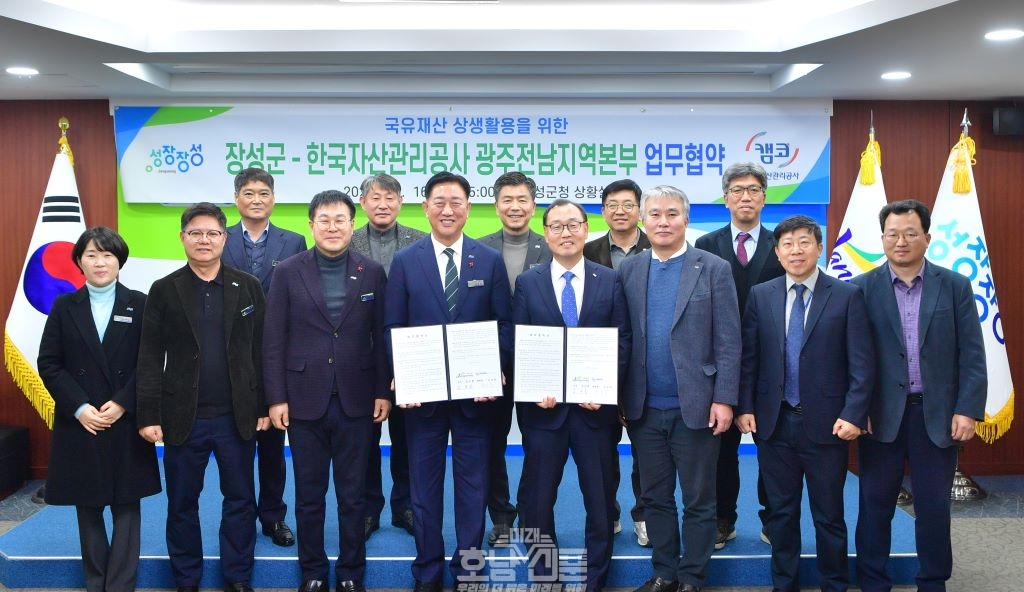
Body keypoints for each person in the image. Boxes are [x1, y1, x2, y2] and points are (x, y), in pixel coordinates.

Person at [384, 170, 513, 592]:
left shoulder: (488, 260)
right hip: (423, 399)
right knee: (423, 488)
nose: (447, 210)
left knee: (473, 487)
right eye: (439, 202)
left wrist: (496, 368)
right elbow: (393, 326)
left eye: (456, 202)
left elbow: (503, 324)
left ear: (468, 208)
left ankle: (469, 568)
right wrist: (402, 376)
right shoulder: (406, 261)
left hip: (475, 397)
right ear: (425, 208)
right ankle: (427, 569)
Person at [853, 199, 986, 592]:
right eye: (892, 234)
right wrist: (857, 409)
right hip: (879, 417)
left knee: (933, 507)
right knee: (875, 505)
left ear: (927, 238)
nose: (901, 241)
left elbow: (972, 354)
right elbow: (852, 359)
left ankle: (933, 582)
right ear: (882, 238)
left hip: (937, 415)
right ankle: (873, 582)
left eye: (910, 233)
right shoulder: (859, 289)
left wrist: (967, 409)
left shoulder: (955, 286)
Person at [736, 215, 874, 592]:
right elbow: (749, 358)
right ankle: (785, 584)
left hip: (828, 425)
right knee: (781, 515)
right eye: (787, 244)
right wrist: (745, 406)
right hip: (774, 423)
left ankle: (834, 584)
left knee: (828, 516)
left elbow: (862, 363)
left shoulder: (846, 295)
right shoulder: (761, 295)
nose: (796, 250)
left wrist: (854, 413)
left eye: (804, 242)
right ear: (777, 252)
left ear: (818, 247)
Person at [137, 202, 269, 592]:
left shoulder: (248, 286)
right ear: (183, 238)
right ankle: (187, 578)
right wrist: (148, 414)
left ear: (225, 238)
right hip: (183, 416)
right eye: (196, 233)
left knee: (241, 500)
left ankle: (237, 577)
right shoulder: (164, 289)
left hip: (236, 415)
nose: (204, 240)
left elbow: (261, 350)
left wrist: (263, 405)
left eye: (213, 233)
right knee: (182, 503)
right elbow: (148, 356)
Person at [263, 190, 391, 592]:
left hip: (358, 399)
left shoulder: (372, 271)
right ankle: (314, 572)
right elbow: (273, 340)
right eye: (324, 220)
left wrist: (383, 391)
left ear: (352, 225)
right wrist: (276, 398)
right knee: (309, 495)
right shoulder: (287, 271)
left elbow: (381, 336)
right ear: (311, 225)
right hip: (303, 399)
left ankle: (351, 572)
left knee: (354, 496)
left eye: (340, 220)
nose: (332, 227)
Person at [620, 185, 740, 592]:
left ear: (686, 219)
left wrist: (724, 398)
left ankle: (692, 577)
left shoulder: (713, 267)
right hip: (644, 408)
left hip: (698, 406)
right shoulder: (631, 269)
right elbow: (623, 336)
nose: (663, 221)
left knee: (699, 499)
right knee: (655, 497)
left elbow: (729, 339)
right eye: (654, 214)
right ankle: (665, 572)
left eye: (672, 213)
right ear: (643, 220)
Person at [513, 198, 629, 592]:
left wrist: (605, 387)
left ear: (585, 229)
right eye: (557, 226)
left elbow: (623, 340)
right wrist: (533, 388)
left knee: (600, 501)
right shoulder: (528, 282)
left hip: (594, 413)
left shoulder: (609, 279)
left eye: (573, 224)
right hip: (543, 414)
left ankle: (596, 579)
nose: (566, 233)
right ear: (546, 234)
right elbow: (519, 343)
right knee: (536, 501)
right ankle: (546, 578)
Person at [38, 227, 161, 592]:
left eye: (107, 255)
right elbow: (49, 363)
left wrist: (123, 402)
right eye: (91, 255)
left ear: (119, 261)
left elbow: (151, 361)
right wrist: (79, 407)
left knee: (127, 505)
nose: (100, 262)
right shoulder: (64, 307)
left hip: (125, 417)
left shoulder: (140, 304)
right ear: (79, 261)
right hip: (82, 420)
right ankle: (96, 581)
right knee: (87, 504)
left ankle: (120, 584)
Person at [693, 162, 785, 549]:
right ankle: (722, 519)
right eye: (737, 190)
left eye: (753, 190)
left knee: (773, 449)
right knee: (720, 450)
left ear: (764, 197)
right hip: (721, 365)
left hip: (772, 365)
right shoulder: (705, 245)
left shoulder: (782, 243)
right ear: (726, 198)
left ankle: (774, 519)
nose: (745, 197)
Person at [221, 166, 305, 548]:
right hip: (229, 356)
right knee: (236, 446)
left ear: (273, 198)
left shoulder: (294, 241)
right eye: (249, 193)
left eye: (264, 193)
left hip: (276, 356)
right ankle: (240, 517)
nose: (257, 200)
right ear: (236, 198)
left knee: (272, 444)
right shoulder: (218, 237)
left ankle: (273, 517)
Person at [350, 173, 426, 540]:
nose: (383, 204)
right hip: (360, 356)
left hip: (412, 354)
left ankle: (405, 505)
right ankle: (368, 509)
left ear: (401, 202)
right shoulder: (345, 241)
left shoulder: (421, 242)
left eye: (390, 197)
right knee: (364, 439)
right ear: (362, 202)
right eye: (375, 198)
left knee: (408, 436)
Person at [477, 171, 552, 546]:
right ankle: (502, 516)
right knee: (492, 444)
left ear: (533, 205)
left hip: (540, 365)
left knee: (539, 445)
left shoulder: (553, 247)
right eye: (507, 200)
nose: (515, 206)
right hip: (492, 366)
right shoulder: (478, 250)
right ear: (496, 206)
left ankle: (530, 509)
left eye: (522, 199)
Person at [582, 178, 651, 545]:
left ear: (639, 210)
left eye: (628, 204)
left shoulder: (659, 246)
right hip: (597, 365)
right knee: (601, 449)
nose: (620, 211)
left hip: (646, 365)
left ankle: (645, 514)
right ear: (603, 211)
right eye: (612, 205)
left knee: (647, 450)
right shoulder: (586, 250)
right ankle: (607, 512)